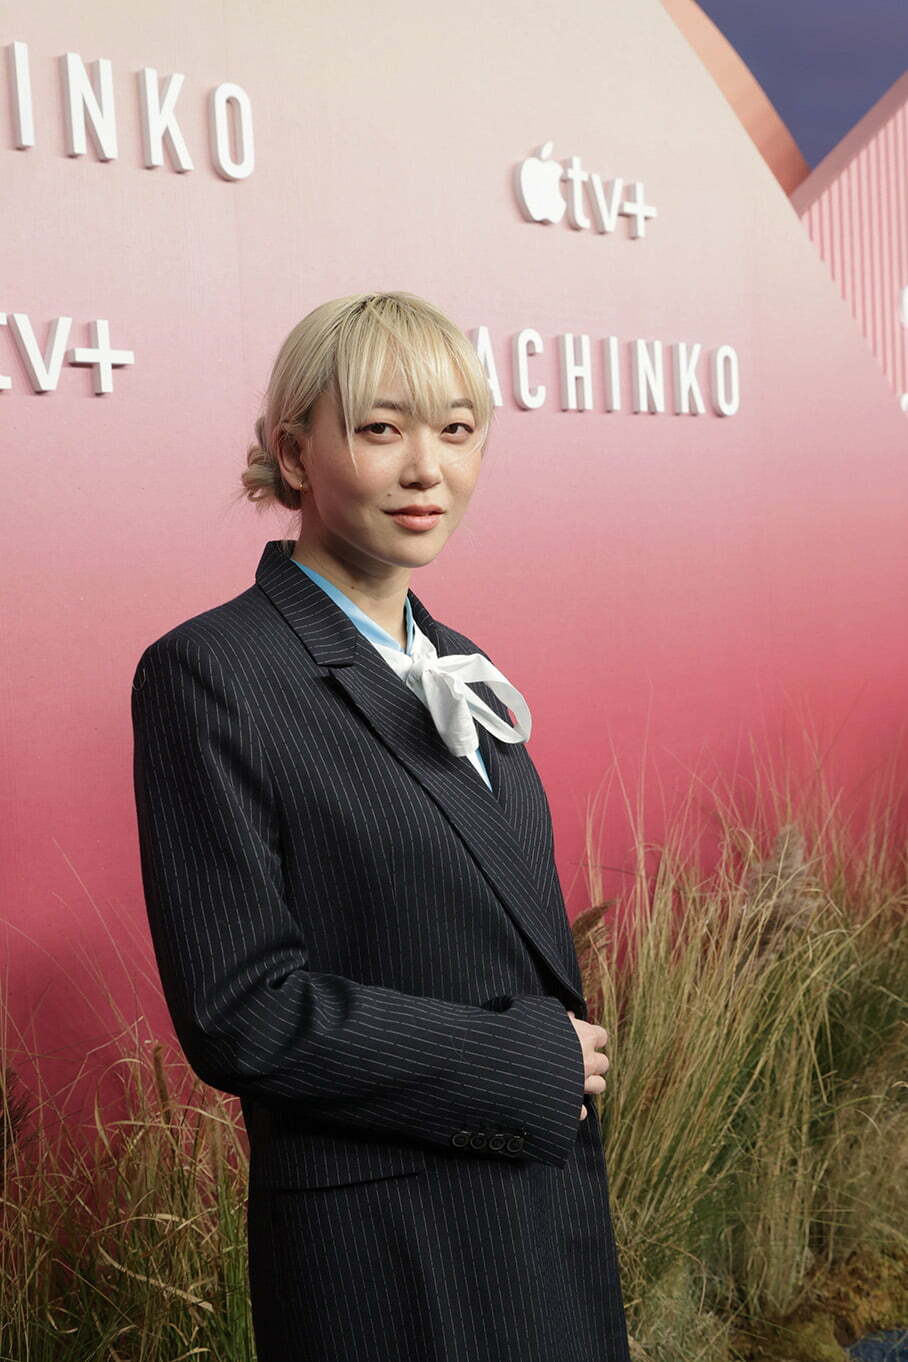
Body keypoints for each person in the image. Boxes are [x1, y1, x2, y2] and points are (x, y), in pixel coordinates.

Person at [130, 290, 632, 1361]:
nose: (426, 470)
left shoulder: (459, 660)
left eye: (456, 431)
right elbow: (240, 1010)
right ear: (292, 451)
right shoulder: (214, 674)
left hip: (531, 1213)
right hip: (387, 1252)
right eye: (379, 428)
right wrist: (523, 1061)